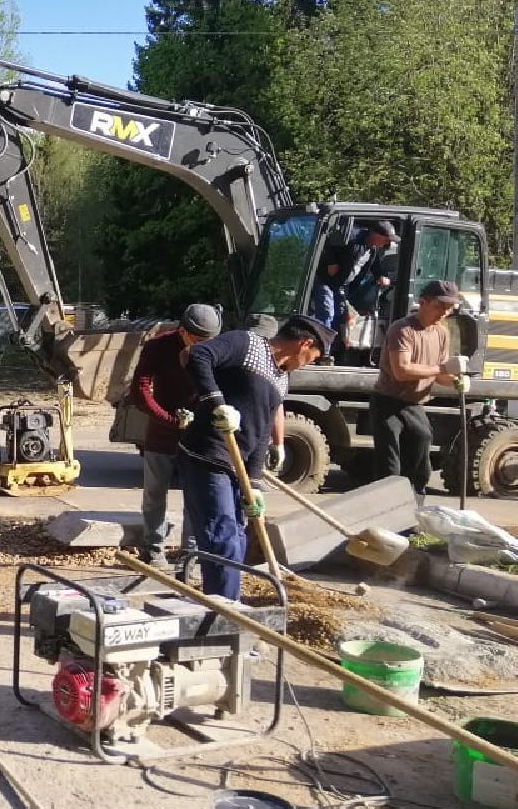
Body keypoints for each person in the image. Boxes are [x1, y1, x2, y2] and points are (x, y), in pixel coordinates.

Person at [177, 315, 335, 600]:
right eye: (314, 356)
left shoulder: (281, 378)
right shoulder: (247, 345)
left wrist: (254, 484)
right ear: (305, 343)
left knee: (237, 537)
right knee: (221, 537)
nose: (310, 362)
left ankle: (226, 604)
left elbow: (261, 434)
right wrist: (216, 402)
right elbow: (199, 354)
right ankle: (225, 611)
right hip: (208, 453)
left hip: (238, 465)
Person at [129, 303, 222, 564]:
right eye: (198, 339)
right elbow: (140, 389)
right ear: (183, 331)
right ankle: (153, 549)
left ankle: (190, 555)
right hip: (161, 435)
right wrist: (167, 419)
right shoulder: (158, 347)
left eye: (209, 340)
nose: (204, 345)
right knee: (155, 494)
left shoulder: (215, 349)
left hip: (198, 438)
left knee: (195, 497)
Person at [369, 279, 461, 497]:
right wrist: (441, 369)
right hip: (387, 403)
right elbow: (402, 371)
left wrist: (456, 381)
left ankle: (413, 515)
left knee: (420, 459)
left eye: (449, 309)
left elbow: (440, 376)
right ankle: (386, 517)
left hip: (415, 405)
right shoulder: (402, 329)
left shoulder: (441, 333)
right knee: (390, 467)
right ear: (423, 302)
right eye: (440, 306)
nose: (444, 313)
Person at [311, 220, 399, 349]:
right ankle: (323, 351)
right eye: (386, 240)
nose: (387, 243)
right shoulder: (351, 237)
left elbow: (375, 266)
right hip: (327, 280)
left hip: (342, 285)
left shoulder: (373, 249)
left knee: (340, 315)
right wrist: (331, 262)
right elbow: (324, 244)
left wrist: (381, 276)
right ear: (375, 234)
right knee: (326, 312)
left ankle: (334, 350)